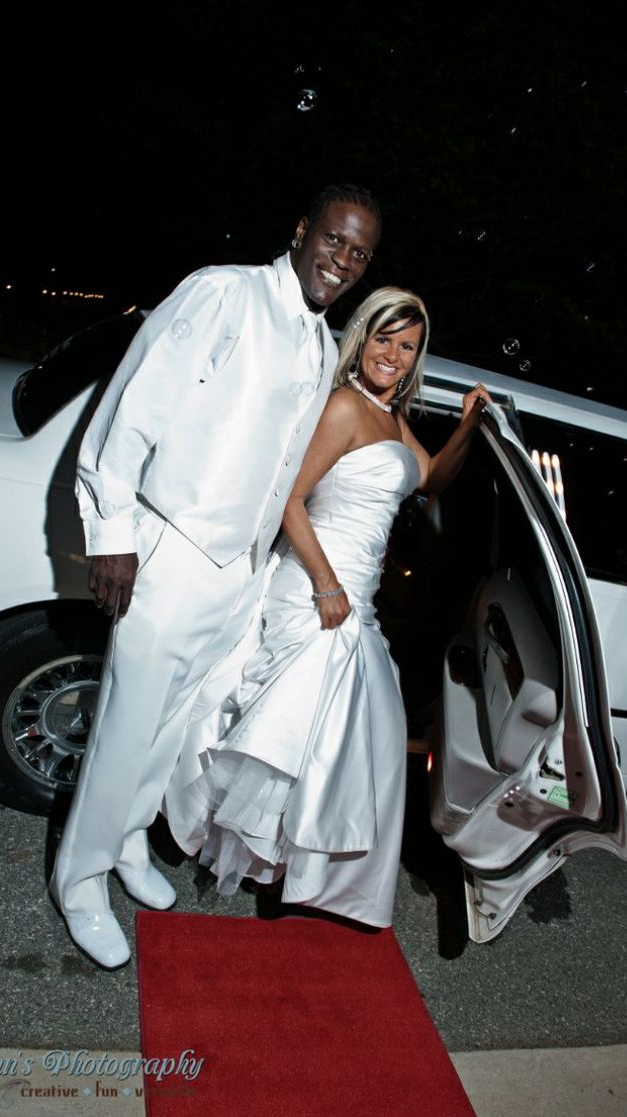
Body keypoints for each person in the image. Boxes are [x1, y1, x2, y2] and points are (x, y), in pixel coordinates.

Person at [50, 184, 383, 966]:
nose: (342, 260)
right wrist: (113, 534)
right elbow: (133, 406)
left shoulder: (319, 342)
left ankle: (127, 840)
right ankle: (80, 878)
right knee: (126, 725)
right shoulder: (224, 293)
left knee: (169, 730)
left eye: (359, 253)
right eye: (334, 239)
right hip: (174, 549)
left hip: (238, 571)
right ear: (301, 230)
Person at [164, 287, 490, 927]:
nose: (393, 354)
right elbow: (288, 496)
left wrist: (468, 426)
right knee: (299, 727)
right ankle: (264, 856)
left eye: (407, 345)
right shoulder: (344, 406)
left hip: (355, 594)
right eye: (383, 338)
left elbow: (430, 478)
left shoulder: (390, 418)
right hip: (318, 586)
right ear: (361, 339)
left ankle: (299, 867)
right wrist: (325, 584)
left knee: (342, 734)